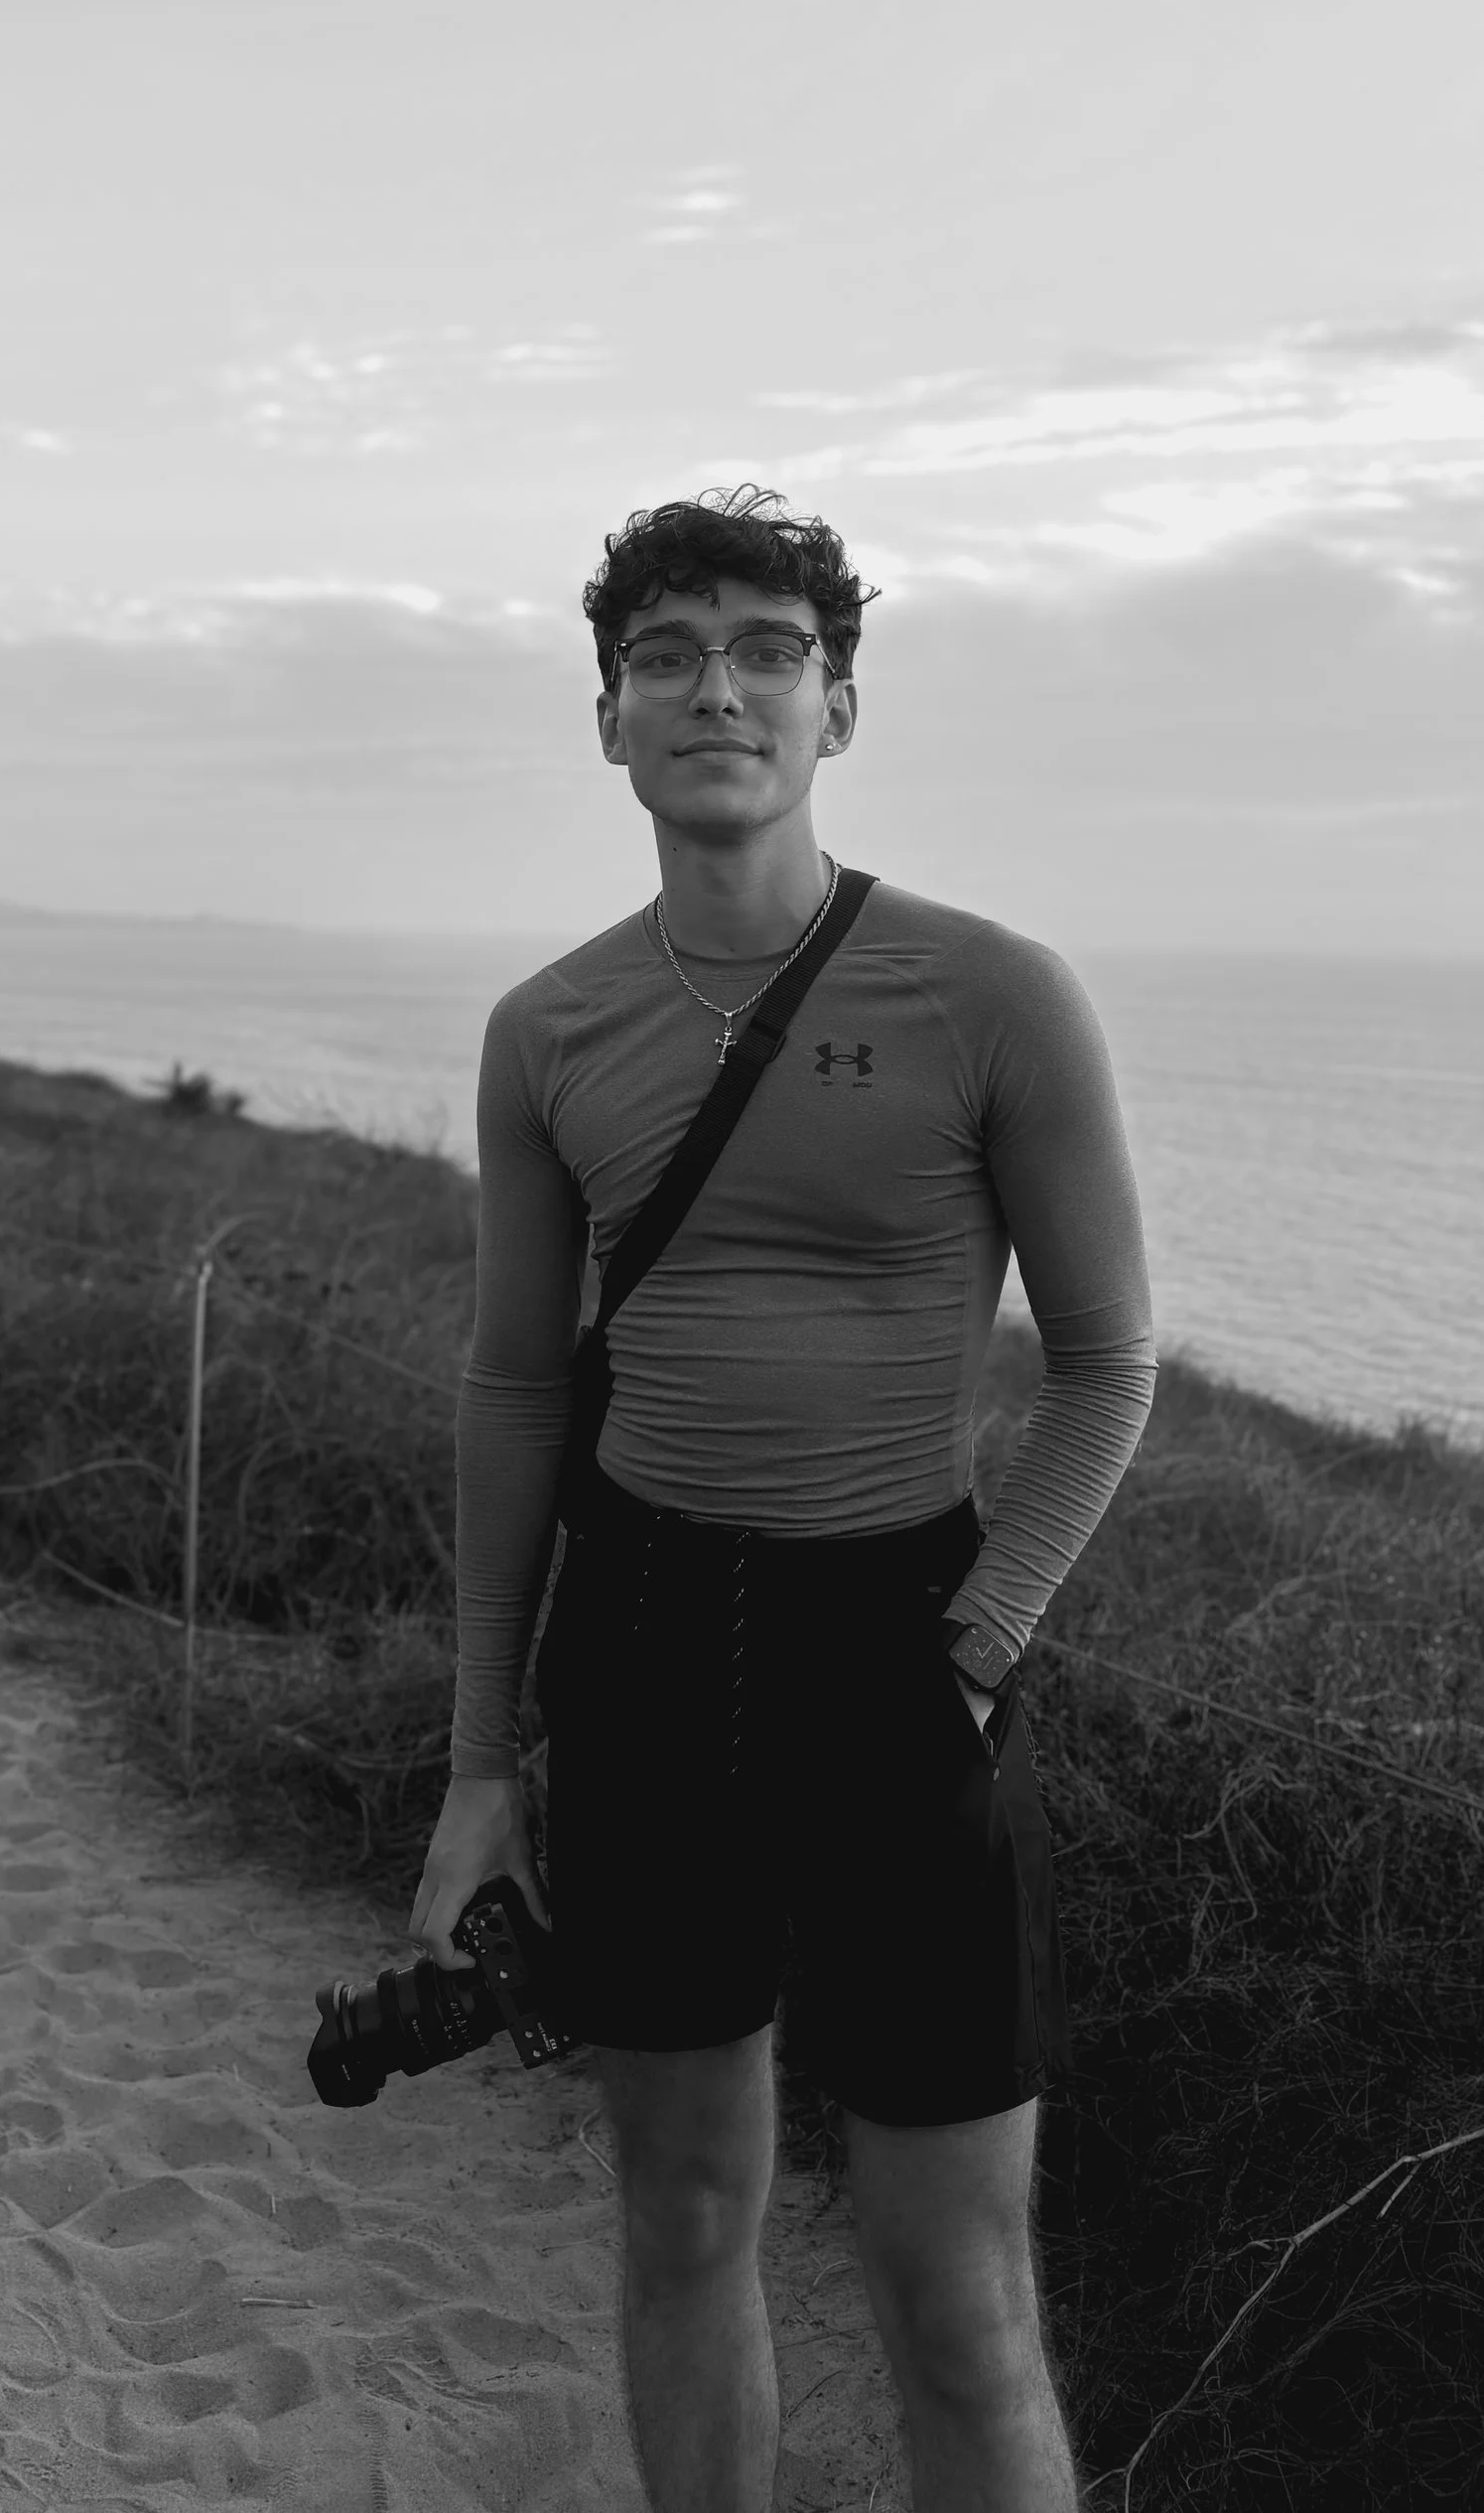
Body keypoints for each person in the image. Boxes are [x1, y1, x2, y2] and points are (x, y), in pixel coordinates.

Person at [409, 486, 1156, 2513]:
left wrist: (973, 1657)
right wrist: (481, 1760)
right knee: (678, 2218)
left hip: (895, 1644)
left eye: (762, 650)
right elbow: (509, 1385)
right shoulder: (546, 1025)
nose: (711, 687)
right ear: (604, 719)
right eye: (662, 653)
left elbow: (1103, 1366)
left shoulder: (989, 993)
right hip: (636, 1647)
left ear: (838, 706)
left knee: (953, 2286)